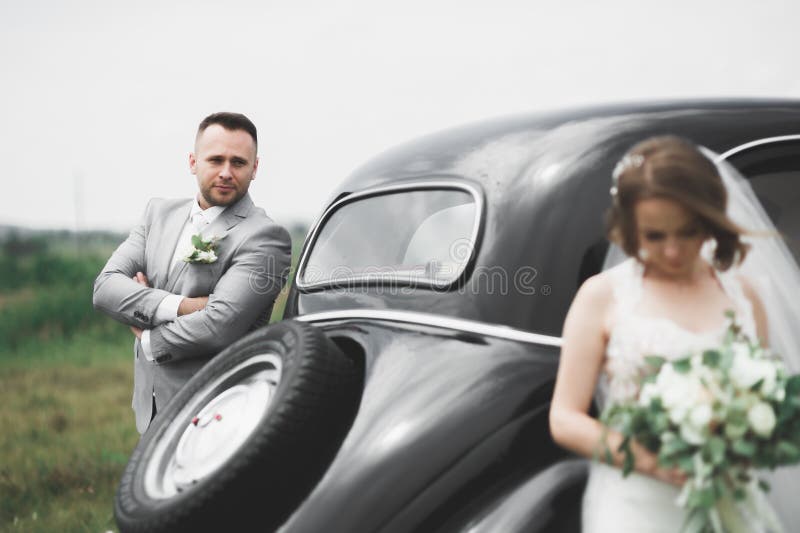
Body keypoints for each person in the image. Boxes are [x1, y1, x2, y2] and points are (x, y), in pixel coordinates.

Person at [548, 135, 782, 531]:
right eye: (655, 236)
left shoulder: (745, 297)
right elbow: (565, 418)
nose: (673, 251)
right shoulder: (603, 296)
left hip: (728, 498)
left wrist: (745, 441)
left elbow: (765, 401)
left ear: (710, 221)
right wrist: (653, 462)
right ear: (629, 229)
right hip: (635, 506)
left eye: (688, 232)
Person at [93, 112, 292, 434]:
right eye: (215, 160)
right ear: (193, 162)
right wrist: (184, 306)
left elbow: (218, 327)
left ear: (255, 168)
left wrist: (148, 338)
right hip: (151, 403)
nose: (226, 172)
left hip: (217, 408)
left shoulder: (267, 238)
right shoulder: (157, 213)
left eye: (238, 163)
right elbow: (104, 289)